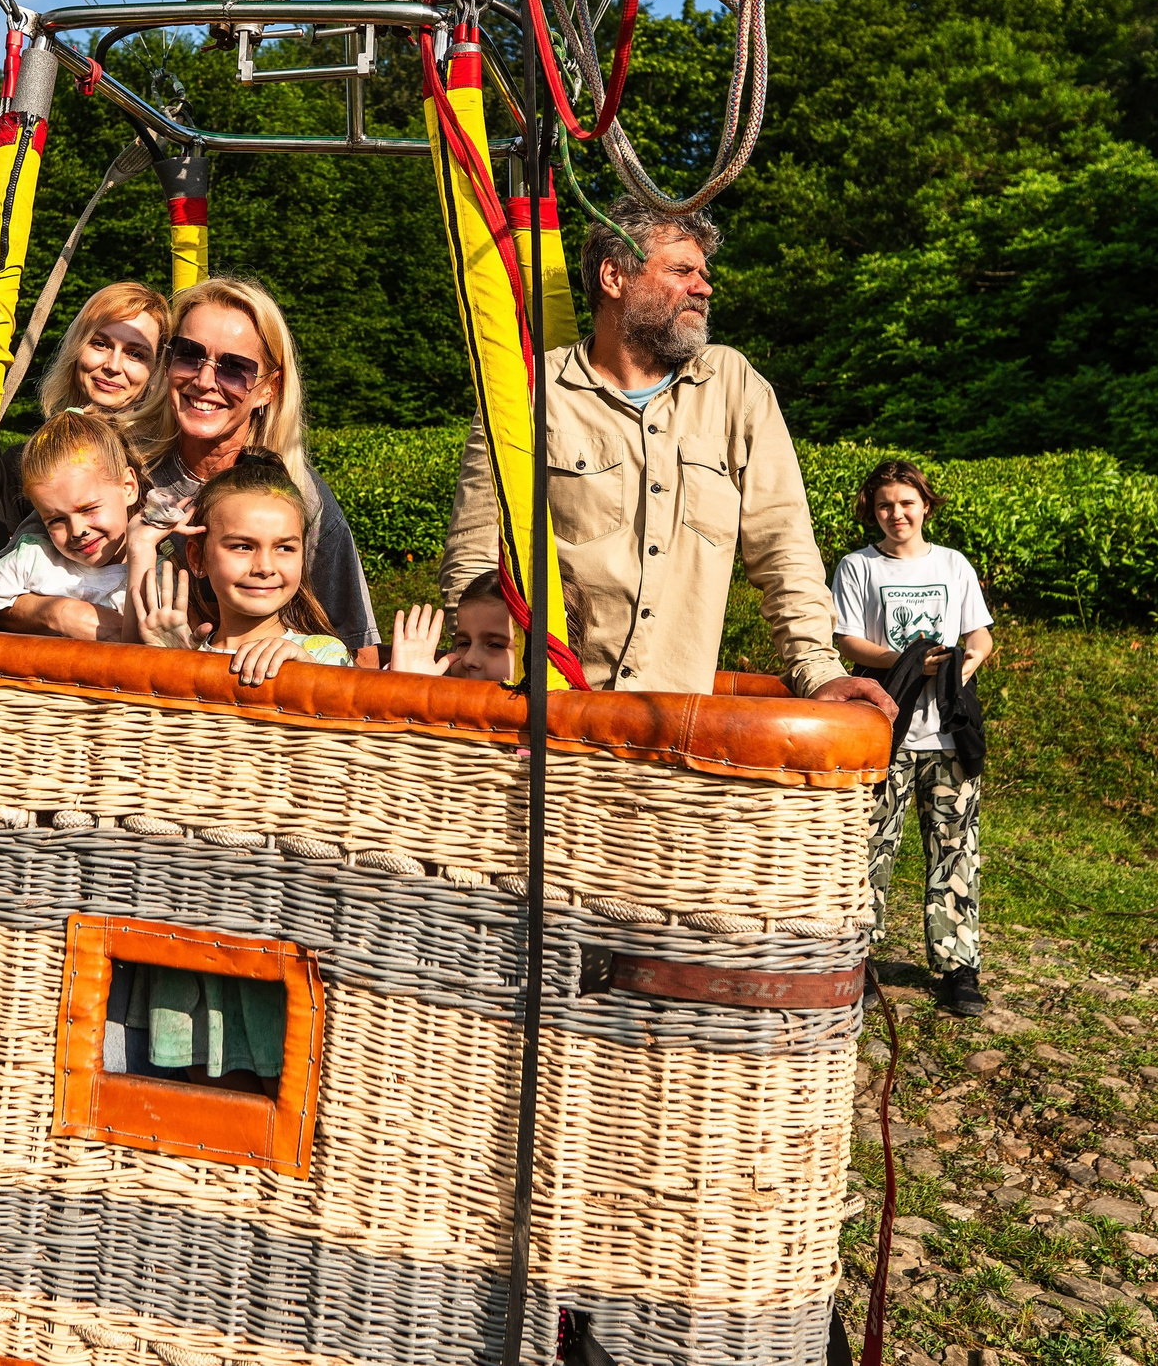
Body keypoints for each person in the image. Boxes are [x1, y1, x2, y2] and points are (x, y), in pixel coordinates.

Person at [440, 202, 894, 719]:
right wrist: (481, 690)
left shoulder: (734, 386)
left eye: (703, 273)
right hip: (545, 721)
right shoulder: (526, 393)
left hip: (674, 730)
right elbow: (474, 562)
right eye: (681, 271)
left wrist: (819, 672)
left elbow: (785, 550)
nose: (704, 287)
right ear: (614, 277)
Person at [125, 277, 384, 665]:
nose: (205, 380)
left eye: (235, 369)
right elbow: (13, 575)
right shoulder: (123, 466)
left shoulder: (300, 496)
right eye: (189, 355)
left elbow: (359, 653)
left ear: (269, 389)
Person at [832, 459, 996, 1018]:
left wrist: (970, 657)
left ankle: (958, 967)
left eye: (906, 502)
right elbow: (848, 640)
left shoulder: (953, 565)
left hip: (950, 729)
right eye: (884, 505)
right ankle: (857, 957)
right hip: (884, 726)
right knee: (869, 847)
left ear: (925, 505)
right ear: (871, 512)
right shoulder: (857, 568)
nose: (895, 513)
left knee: (955, 847)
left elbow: (979, 630)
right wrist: (908, 661)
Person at [0, 280, 169, 618]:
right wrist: (57, 614)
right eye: (100, 343)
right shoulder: (21, 465)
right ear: (76, 348)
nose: (113, 365)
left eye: (136, 354)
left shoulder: (165, 469)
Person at [132, 448, 352, 684]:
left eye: (285, 548)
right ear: (197, 558)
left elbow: (348, 717)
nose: (265, 567)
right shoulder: (184, 652)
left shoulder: (325, 655)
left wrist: (309, 676)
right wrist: (169, 666)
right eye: (243, 547)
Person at [0, 411, 181, 638]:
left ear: (128, 487)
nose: (78, 531)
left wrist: (141, 547)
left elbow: (134, 653)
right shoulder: (31, 560)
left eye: (89, 509)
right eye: (57, 520)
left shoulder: (161, 576)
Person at [391, 569, 589, 684]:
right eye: (464, 642)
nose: (469, 659)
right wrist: (410, 691)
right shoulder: (444, 713)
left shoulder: (573, 731)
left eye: (495, 645)